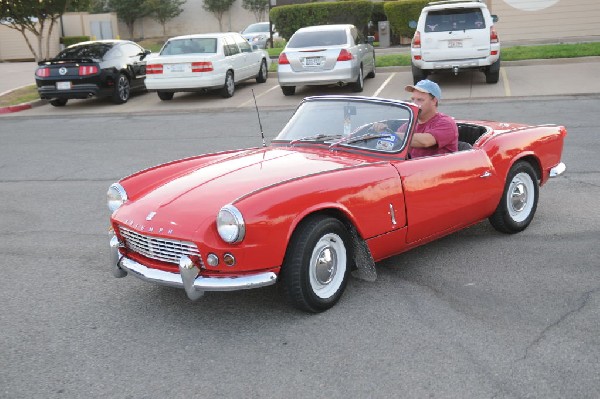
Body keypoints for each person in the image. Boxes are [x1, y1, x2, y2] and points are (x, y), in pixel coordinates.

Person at [404, 79, 458, 158]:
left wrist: (393, 136)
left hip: (441, 168)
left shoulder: (446, 123)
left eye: (420, 100)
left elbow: (425, 142)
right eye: (413, 99)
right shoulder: (407, 125)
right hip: (413, 168)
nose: (414, 104)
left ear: (434, 101)